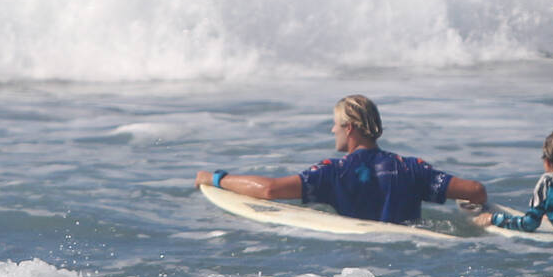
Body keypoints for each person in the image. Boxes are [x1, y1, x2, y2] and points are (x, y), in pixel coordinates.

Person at [195, 95, 487, 224]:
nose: (332, 130)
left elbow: (269, 190)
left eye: (335, 124)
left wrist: (216, 178)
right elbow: (475, 191)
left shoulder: (333, 173)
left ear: (350, 129)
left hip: (359, 260)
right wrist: (468, 207)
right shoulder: (411, 168)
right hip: (410, 249)